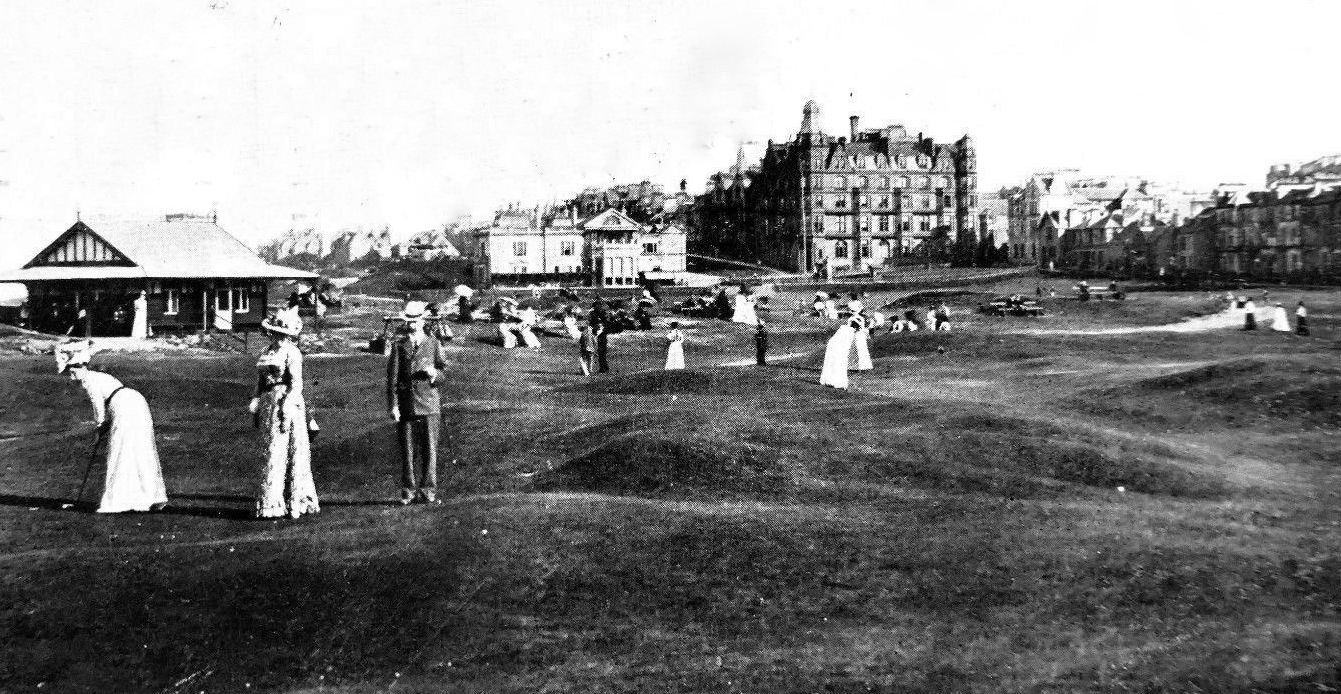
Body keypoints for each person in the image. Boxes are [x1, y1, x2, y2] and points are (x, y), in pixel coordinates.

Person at [56, 340, 168, 513]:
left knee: (121, 450)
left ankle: (118, 500)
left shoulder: (89, 380)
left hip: (124, 405)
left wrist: (100, 426)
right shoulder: (99, 376)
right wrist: (105, 424)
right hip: (136, 402)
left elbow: (98, 405)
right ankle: (152, 497)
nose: (71, 377)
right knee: (138, 449)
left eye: (72, 372)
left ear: (80, 368)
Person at [249, 309, 319, 519]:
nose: (279, 338)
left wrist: (287, 405)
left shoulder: (292, 353)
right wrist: (255, 399)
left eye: (283, 335)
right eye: (276, 333)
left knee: (291, 451)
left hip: (287, 404)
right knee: (272, 451)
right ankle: (271, 503)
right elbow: (260, 381)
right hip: (269, 403)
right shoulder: (266, 351)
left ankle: (295, 500)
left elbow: (296, 384)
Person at [386, 301, 448, 505]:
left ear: (423, 320)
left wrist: (434, 375)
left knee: (430, 449)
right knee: (407, 450)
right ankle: (408, 491)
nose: (412, 324)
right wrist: (393, 405)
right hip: (406, 404)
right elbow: (392, 379)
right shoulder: (399, 346)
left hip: (429, 403)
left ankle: (428, 490)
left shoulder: (433, 343)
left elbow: (444, 372)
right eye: (408, 320)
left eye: (415, 320)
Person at [819, 315, 858, 389]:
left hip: (833, 347)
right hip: (838, 349)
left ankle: (829, 381)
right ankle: (838, 383)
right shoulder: (850, 331)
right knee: (839, 365)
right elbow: (846, 345)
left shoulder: (843, 328)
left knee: (831, 363)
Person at [590, 298, 611, 373]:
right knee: (599, 351)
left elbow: (607, 323)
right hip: (595, 333)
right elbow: (591, 323)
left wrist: (602, 328)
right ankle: (603, 367)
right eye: (596, 306)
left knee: (602, 351)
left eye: (598, 305)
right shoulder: (593, 313)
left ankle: (603, 367)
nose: (597, 307)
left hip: (602, 333)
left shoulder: (603, 313)